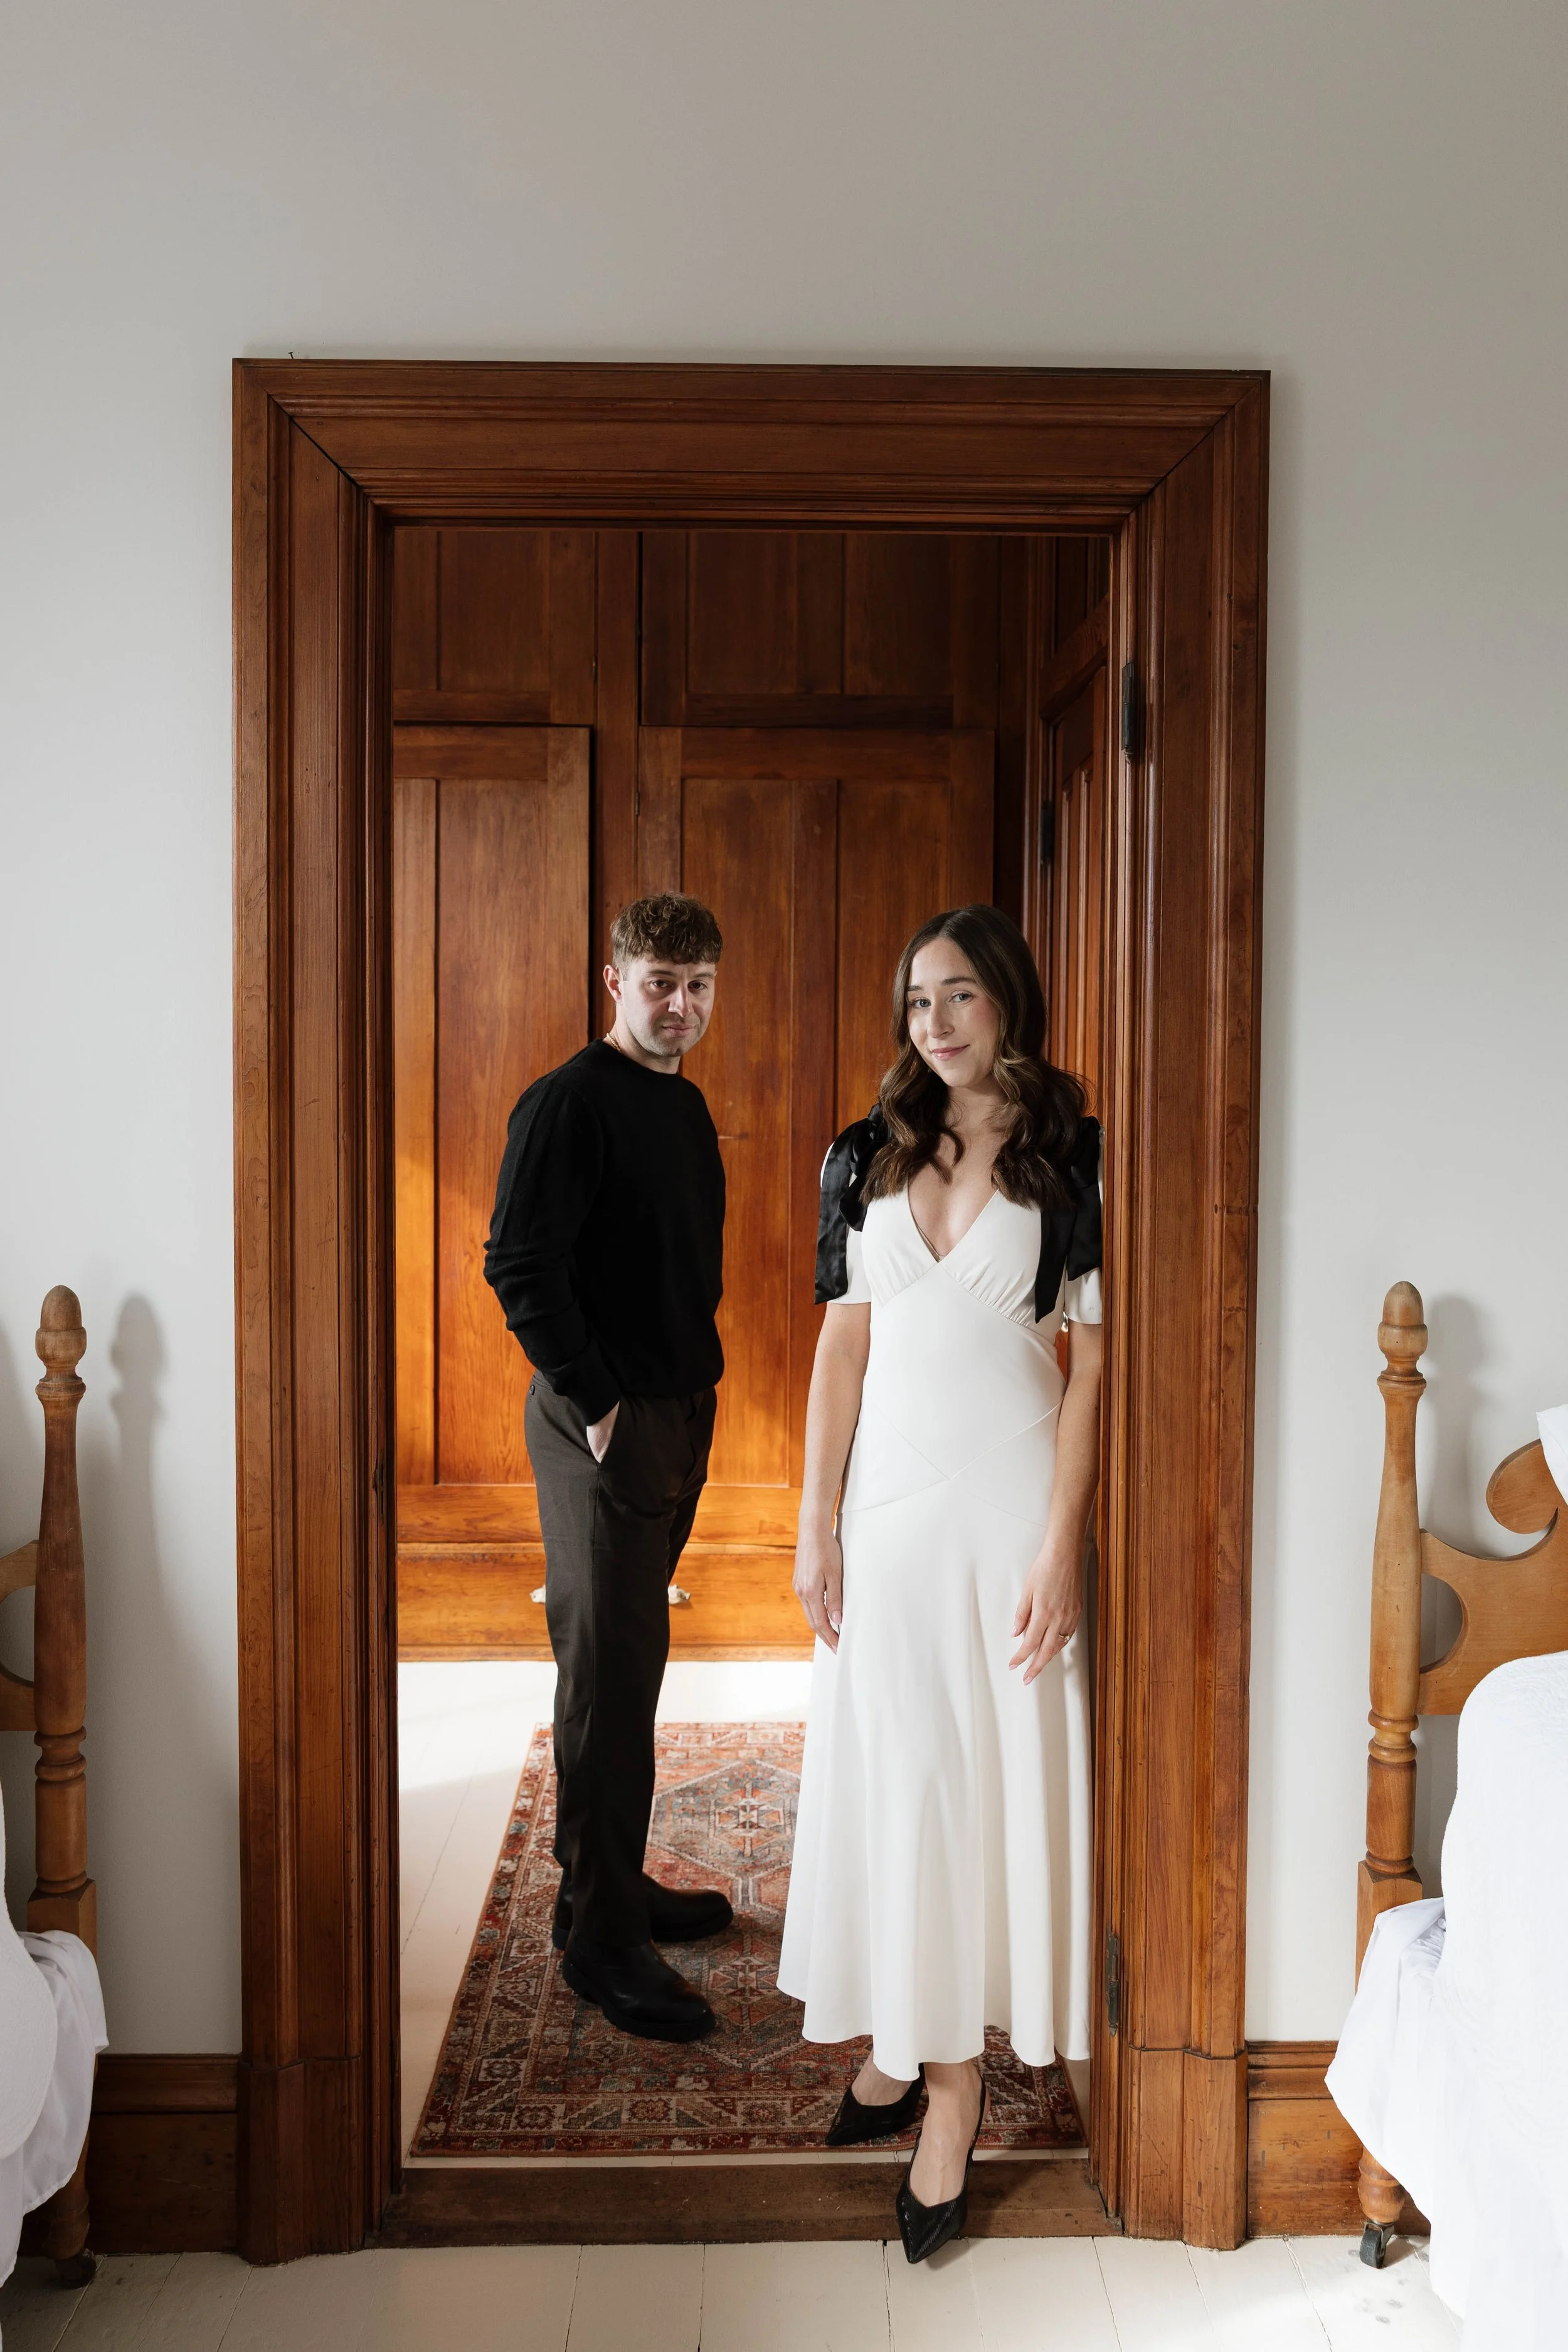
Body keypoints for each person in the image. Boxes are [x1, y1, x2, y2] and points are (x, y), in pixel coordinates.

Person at [777, 903, 1103, 2264]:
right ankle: (918, 2053)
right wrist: (814, 1523)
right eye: (918, 1001)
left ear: (1006, 1000)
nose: (936, 1022)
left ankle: (950, 2091)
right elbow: (841, 1352)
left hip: (1010, 1509)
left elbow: (1091, 1362)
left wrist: (1062, 1544)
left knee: (984, 1792)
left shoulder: (1070, 1150)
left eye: (959, 994)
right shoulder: (865, 1153)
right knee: (899, 1785)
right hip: (892, 1515)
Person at [484, 892, 734, 2045]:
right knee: (606, 1678)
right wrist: (597, 1406)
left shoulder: (678, 1106)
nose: (679, 1006)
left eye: (698, 987)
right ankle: (598, 1942)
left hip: (678, 1412)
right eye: (659, 983)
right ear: (613, 979)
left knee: (636, 1666)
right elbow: (519, 1264)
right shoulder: (570, 1102)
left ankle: (610, 1886)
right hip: (605, 1427)